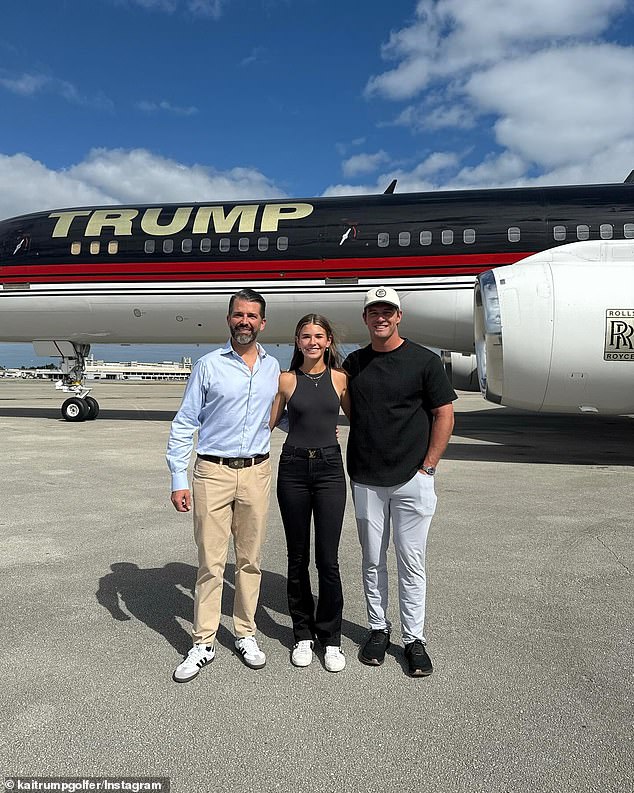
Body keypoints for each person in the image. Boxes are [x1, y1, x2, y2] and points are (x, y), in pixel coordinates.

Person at [342, 286, 457, 677]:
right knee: (372, 560)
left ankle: (414, 639)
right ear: (365, 318)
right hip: (367, 479)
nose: (381, 318)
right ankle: (378, 628)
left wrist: (428, 466)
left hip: (413, 478)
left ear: (398, 316)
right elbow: (347, 408)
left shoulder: (424, 361)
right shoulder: (354, 364)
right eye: (374, 312)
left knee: (411, 562)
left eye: (387, 311)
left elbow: (444, 414)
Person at [167, 288, 280, 682]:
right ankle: (203, 641)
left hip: (256, 472)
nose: (244, 321)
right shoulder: (208, 365)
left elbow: (278, 415)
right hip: (211, 473)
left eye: (252, 316)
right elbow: (185, 423)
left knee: (249, 560)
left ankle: (246, 632)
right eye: (238, 314)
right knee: (211, 562)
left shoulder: (273, 367)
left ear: (262, 323)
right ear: (229, 319)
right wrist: (178, 477)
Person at [269, 314, 349, 672]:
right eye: (305, 336)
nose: (312, 342)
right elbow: (266, 423)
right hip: (294, 469)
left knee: (327, 560)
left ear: (329, 340)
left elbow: (363, 423)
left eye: (319, 336)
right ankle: (302, 633)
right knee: (297, 557)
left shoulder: (341, 380)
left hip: (331, 470)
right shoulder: (286, 380)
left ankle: (331, 638)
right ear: (297, 342)